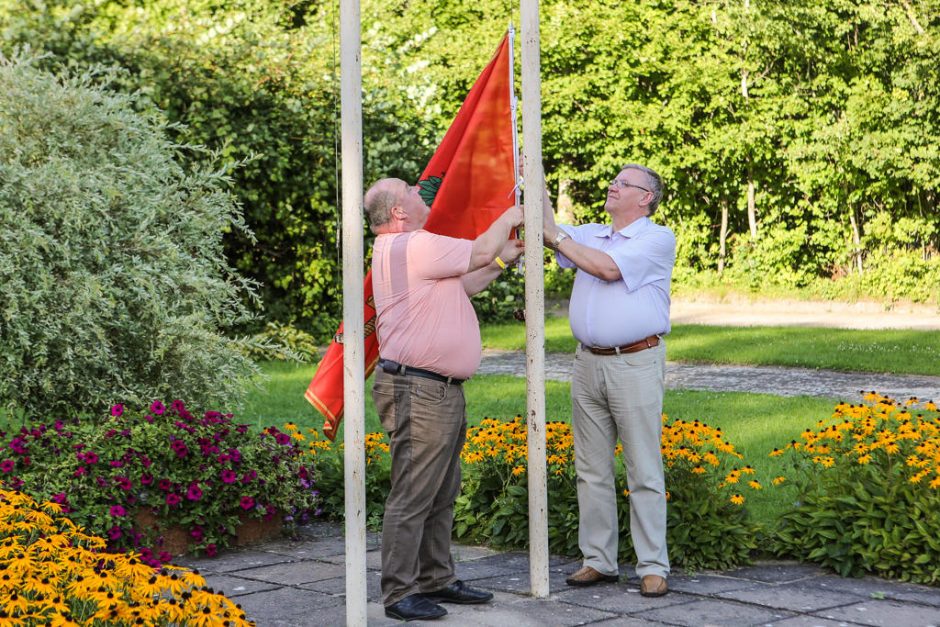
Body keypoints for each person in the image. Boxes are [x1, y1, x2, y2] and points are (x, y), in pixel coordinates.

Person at [366, 177, 524, 622]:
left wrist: (498, 260)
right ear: (398, 211)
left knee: (440, 489)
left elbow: (463, 283)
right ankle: (400, 593)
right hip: (421, 389)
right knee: (415, 492)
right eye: (412, 192)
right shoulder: (413, 244)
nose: (423, 194)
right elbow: (473, 252)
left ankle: (436, 577)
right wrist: (512, 215)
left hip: (432, 388)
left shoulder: (405, 251)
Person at [542, 164, 675, 597]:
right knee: (591, 469)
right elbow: (546, 228)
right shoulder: (591, 231)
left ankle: (653, 565)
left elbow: (606, 270)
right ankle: (598, 560)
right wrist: (532, 180)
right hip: (587, 364)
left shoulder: (656, 238)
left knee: (643, 468)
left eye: (623, 183)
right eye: (613, 180)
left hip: (634, 363)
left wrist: (558, 236)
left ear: (646, 198)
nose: (612, 186)